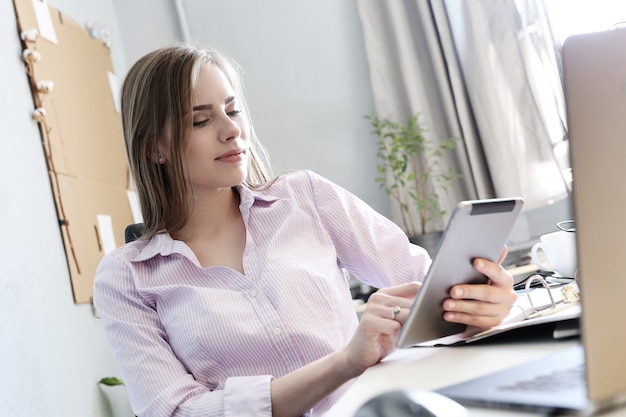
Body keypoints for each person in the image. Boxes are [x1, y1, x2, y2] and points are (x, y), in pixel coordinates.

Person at [93, 43, 517, 417]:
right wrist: (346, 361)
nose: (231, 130)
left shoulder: (305, 197)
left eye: (233, 109)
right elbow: (178, 413)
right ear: (155, 147)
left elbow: (426, 286)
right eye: (201, 121)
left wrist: (477, 304)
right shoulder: (126, 278)